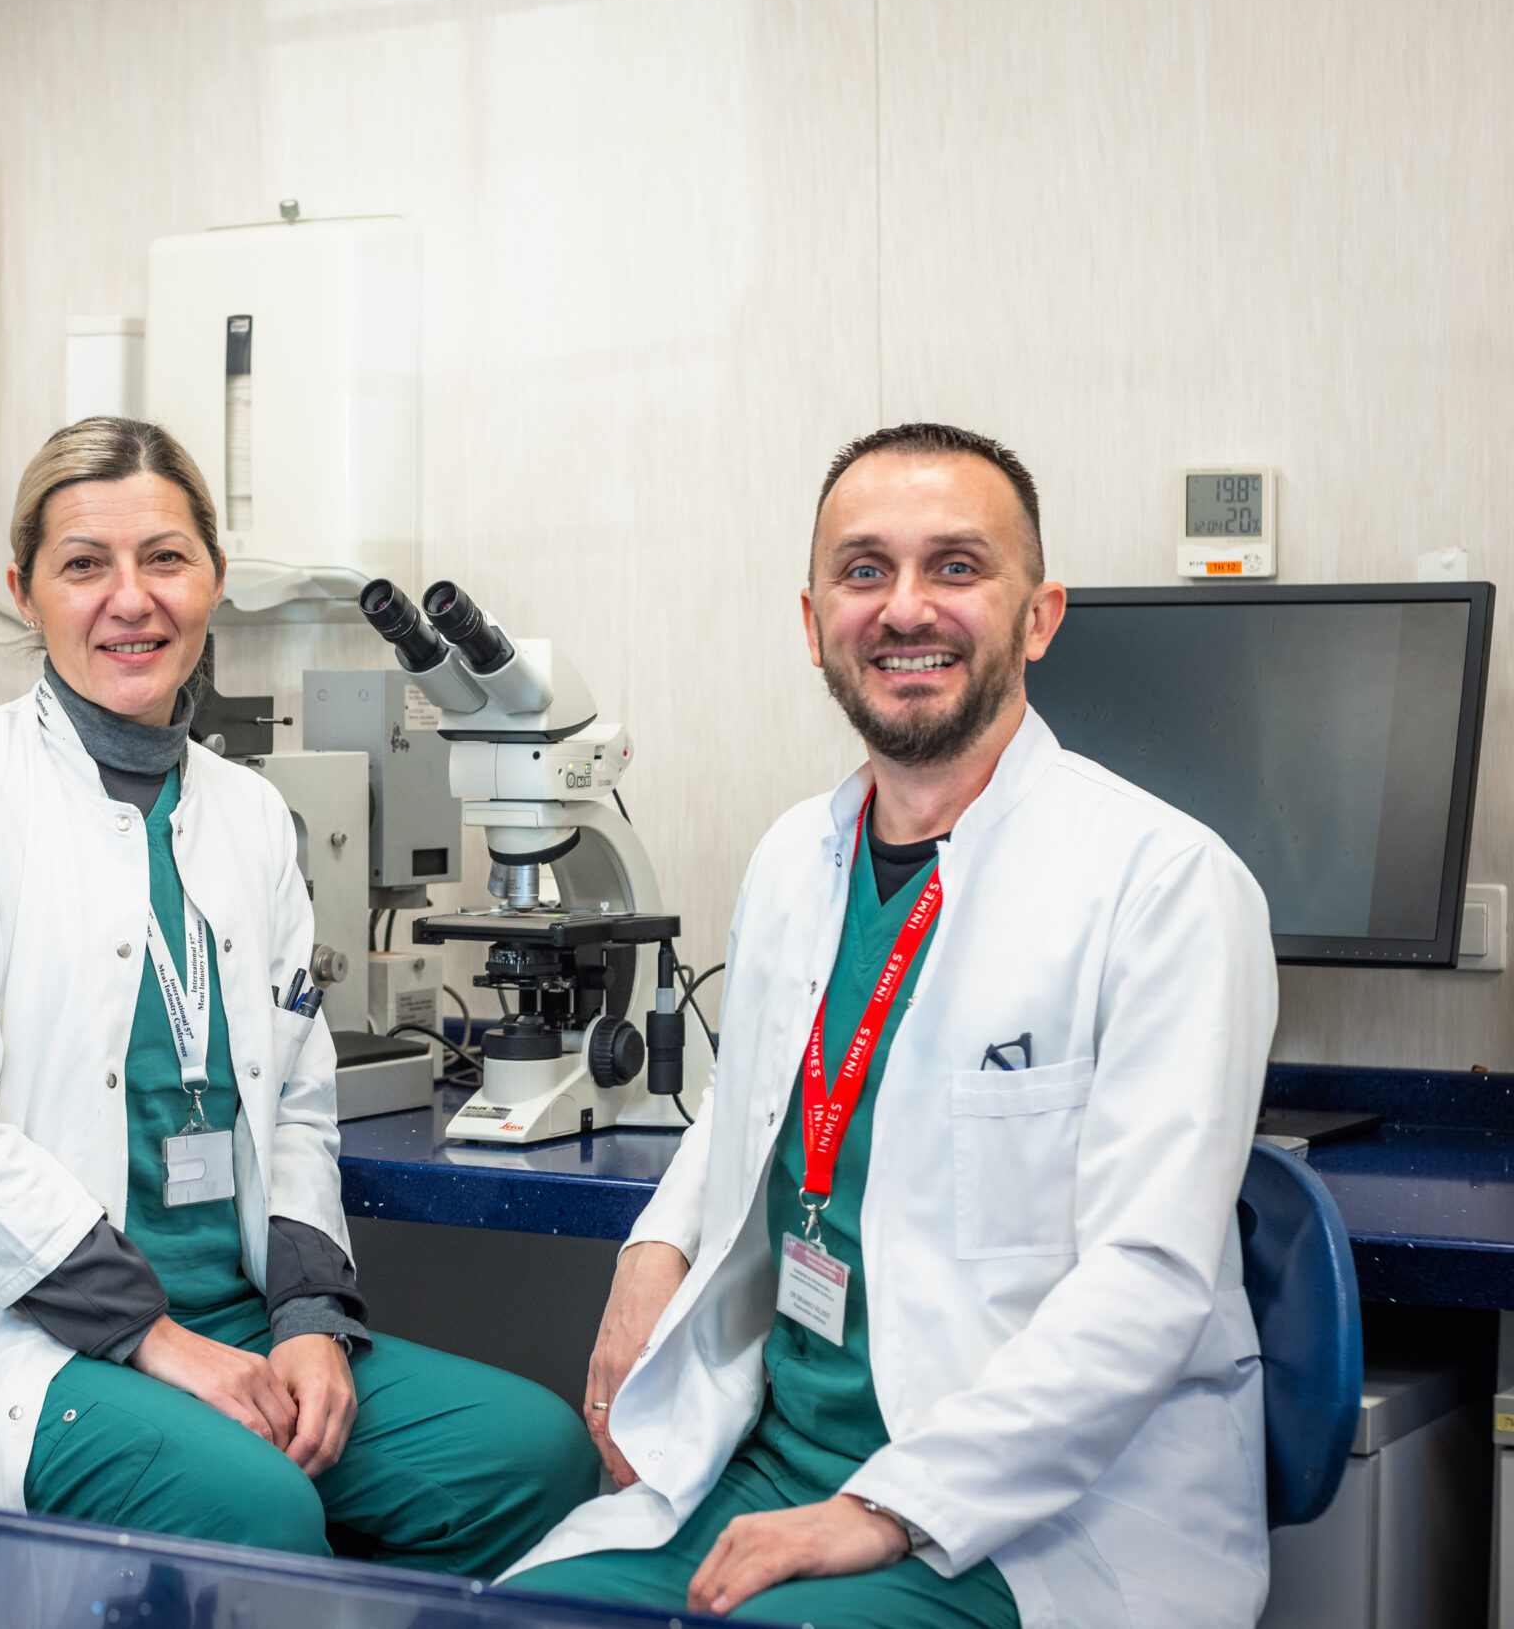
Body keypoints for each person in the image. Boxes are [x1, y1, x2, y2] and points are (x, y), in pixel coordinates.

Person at [502, 423, 1277, 1626]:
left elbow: (1147, 1284)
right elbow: (752, 1103)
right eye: (864, 571)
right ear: (814, 622)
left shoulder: (1165, 884)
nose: (905, 607)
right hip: (769, 1464)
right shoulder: (793, 857)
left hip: (1027, 1524)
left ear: (1039, 617)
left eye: (955, 566)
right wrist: (653, 1247)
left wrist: (880, 1507)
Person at [0, 417, 598, 1570]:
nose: (129, 599)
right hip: (22, 1336)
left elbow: (294, 1101)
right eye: (83, 564)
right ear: (24, 591)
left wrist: (312, 1321)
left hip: (233, 1315)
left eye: (164, 558)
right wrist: (151, 1336)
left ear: (214, 580)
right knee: (257, 1509)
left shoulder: (248, 815)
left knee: (529, 1455)